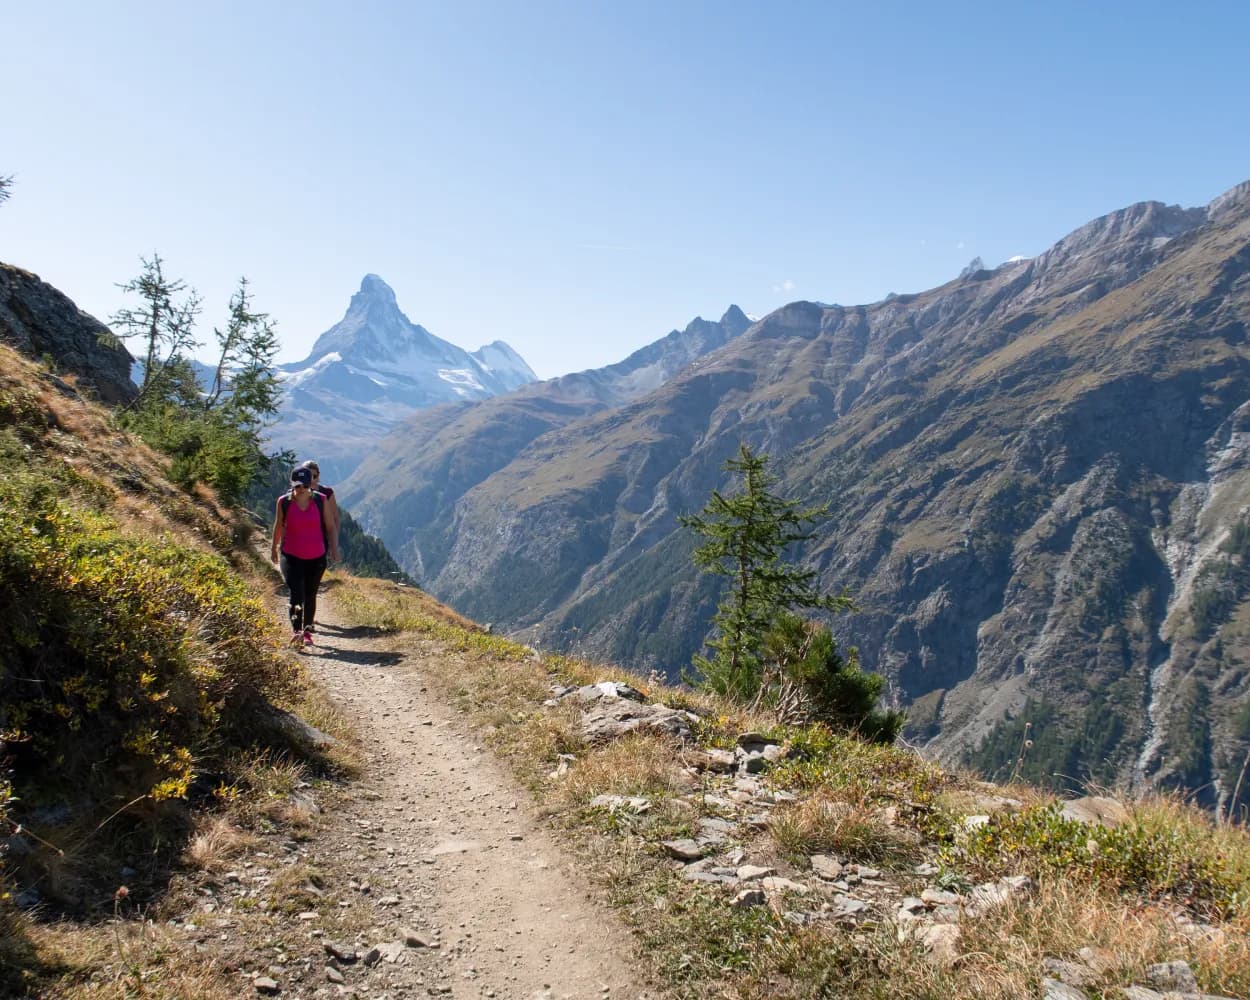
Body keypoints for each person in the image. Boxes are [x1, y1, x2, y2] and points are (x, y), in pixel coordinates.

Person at [271, 465, 329, 646]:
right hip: (291, 555)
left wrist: (333, 547)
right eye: (297, 486)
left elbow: (329, 525)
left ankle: (307, 631)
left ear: (309, 484)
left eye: (304, 485)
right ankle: (296, 631)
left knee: (310, 594)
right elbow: (279, 524)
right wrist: (274, 547)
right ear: (292, 485)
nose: (301, 489)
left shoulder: (320, 500)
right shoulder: (284, 502)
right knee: (297, 591)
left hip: (316, 556)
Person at [297, 460, 341, 560]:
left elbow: (335, 518)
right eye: (308, 476)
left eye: (315, 476)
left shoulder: (327, 493)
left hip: (320, 540)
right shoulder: (295, 493)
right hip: (299, 539)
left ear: (318, 475)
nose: (312, 480)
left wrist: (334, 544)